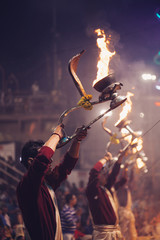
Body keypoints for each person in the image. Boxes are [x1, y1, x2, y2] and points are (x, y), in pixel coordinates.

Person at [16, 124, 87, 240]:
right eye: (48, 158)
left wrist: (77, 140)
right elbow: (43, 158)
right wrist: (56, 135)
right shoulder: (26, 185)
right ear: (31, 161)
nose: (51, 160)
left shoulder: (46, 183)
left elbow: (66, 165)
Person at [86, 148, 128, 240]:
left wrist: (120, 158)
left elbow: (114, 175)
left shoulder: (105, 189)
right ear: (98, 176)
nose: (106, 176)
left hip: (113, 233)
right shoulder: (92, 190)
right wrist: (105, 158)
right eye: (104, 174)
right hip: (102, 235)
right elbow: (94, 172)